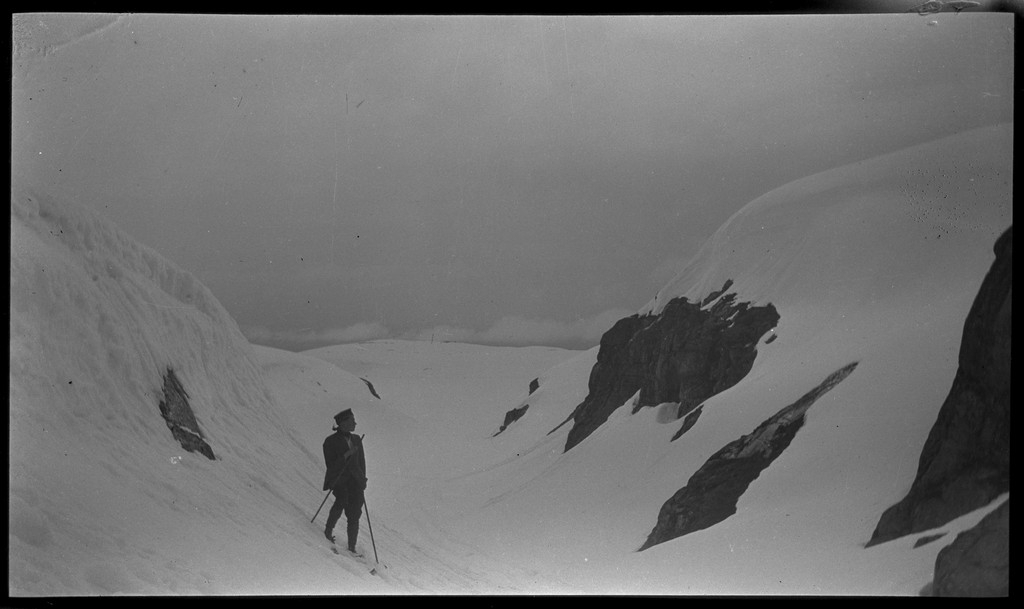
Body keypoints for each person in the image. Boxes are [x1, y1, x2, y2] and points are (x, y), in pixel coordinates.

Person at [322, 408, 368, 554]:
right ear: (342, 423)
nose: (355, 423)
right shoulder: (330, 442)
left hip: (355, 480)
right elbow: (331, 465)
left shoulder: (356, 439)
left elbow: (362, 462)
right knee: (342, 500)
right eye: (352, 421)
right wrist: (347, 455)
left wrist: (363, 479)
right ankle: (328, 531)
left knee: (355, 511)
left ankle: (352, 547)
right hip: (340, 479)